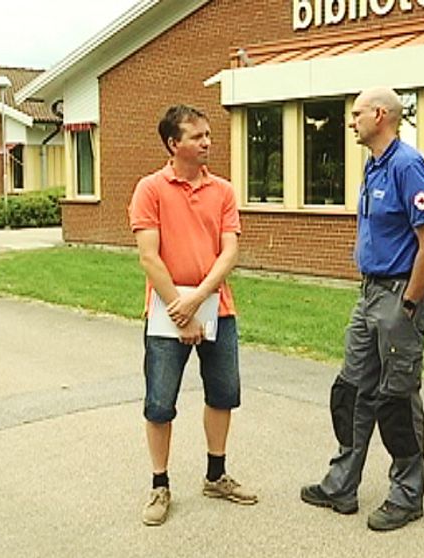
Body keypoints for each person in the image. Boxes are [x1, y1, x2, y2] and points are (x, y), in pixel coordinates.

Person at [300, 87, 424, 531]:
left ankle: (406, 496)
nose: (351, 120)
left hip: (400, 296)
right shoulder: (373, 166)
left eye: (357, 112)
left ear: (380, 115)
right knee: (351, 389)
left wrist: (410, 305)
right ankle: (342, 483)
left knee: (397, 399)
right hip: (368, 296)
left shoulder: (406, 165)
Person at [128, 105, 258, 526]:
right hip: (167, 311)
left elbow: (230, 251)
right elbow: (149, 257)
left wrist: (201, 298)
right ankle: (159, 485)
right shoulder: (149, 189)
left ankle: (216, 476)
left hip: (217, 306)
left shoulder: (222, 190)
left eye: (208, 135)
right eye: (198, 136)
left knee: (223, 393)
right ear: (173, 143)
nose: (207, 142)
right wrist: (181, 313)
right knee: (160, 402)